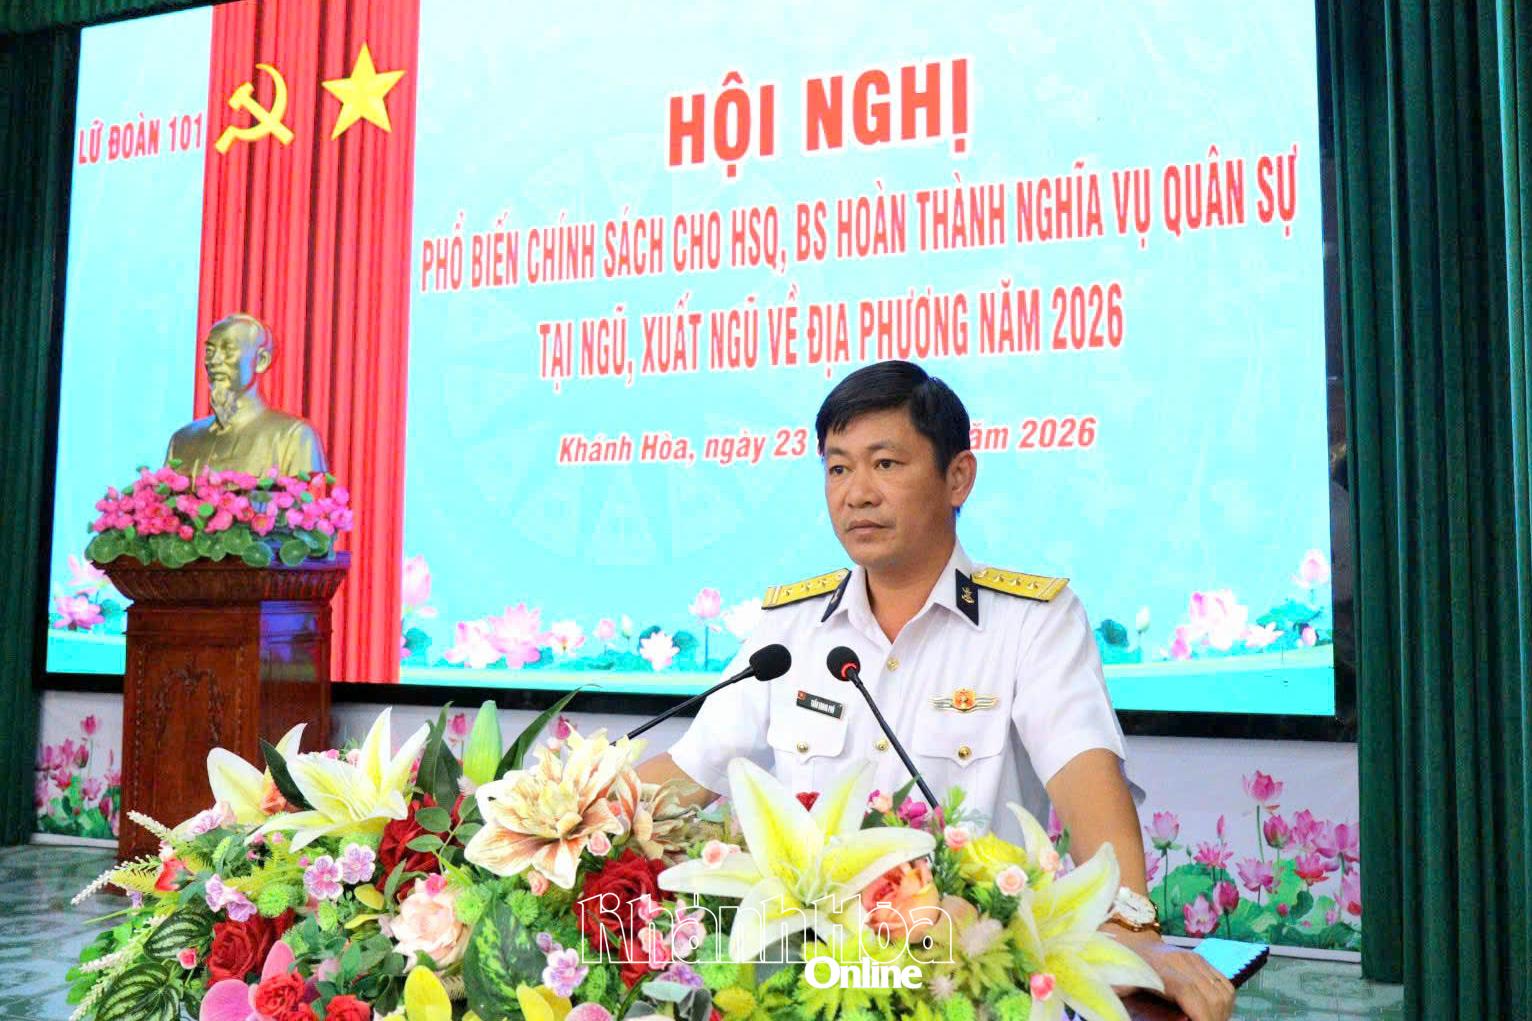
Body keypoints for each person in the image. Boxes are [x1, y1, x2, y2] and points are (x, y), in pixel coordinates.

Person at [638, 360, 1235, 1021]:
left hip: (968, 983)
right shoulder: (789, 628)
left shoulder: (1031, 623)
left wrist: (1133, 935)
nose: (857, 493)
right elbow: (690, 772)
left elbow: (1089, 788)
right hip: (808, 985)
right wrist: (576, 812)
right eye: (838, 468)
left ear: (958, 477)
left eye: (885, 464)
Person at [165, 313, 327, 478]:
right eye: (210, 351)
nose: (214, 360)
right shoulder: (182, 441)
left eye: (228, 350)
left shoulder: (294, 436)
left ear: (261, 360)